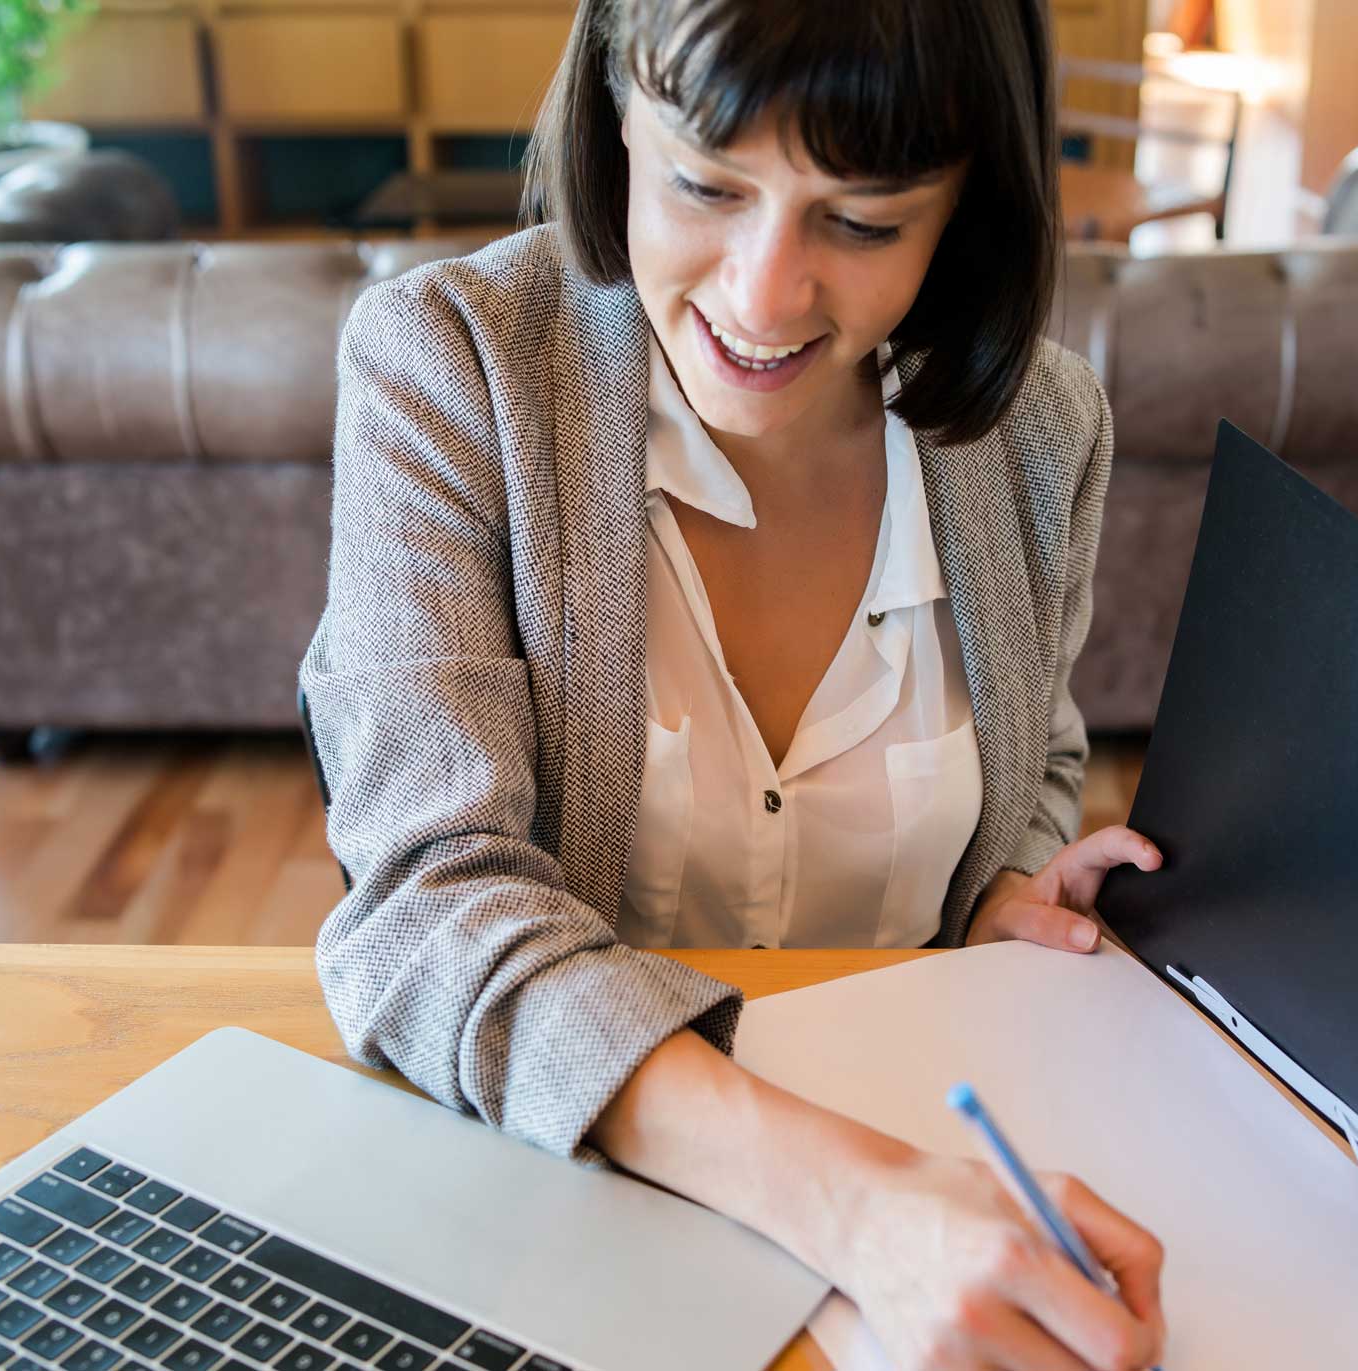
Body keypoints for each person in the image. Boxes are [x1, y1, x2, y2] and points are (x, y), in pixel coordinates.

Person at [298, 1, 1168, 1366]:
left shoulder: (1041, 432)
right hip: (557, 1223)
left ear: (965, 209)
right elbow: (424, 911)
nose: (763, 297)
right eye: (705, 185)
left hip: (921, 1246)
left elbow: (1038, 762)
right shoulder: (449, 365)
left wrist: (1005, 899)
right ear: (612, 119)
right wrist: (857, 1208)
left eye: (866, 221)